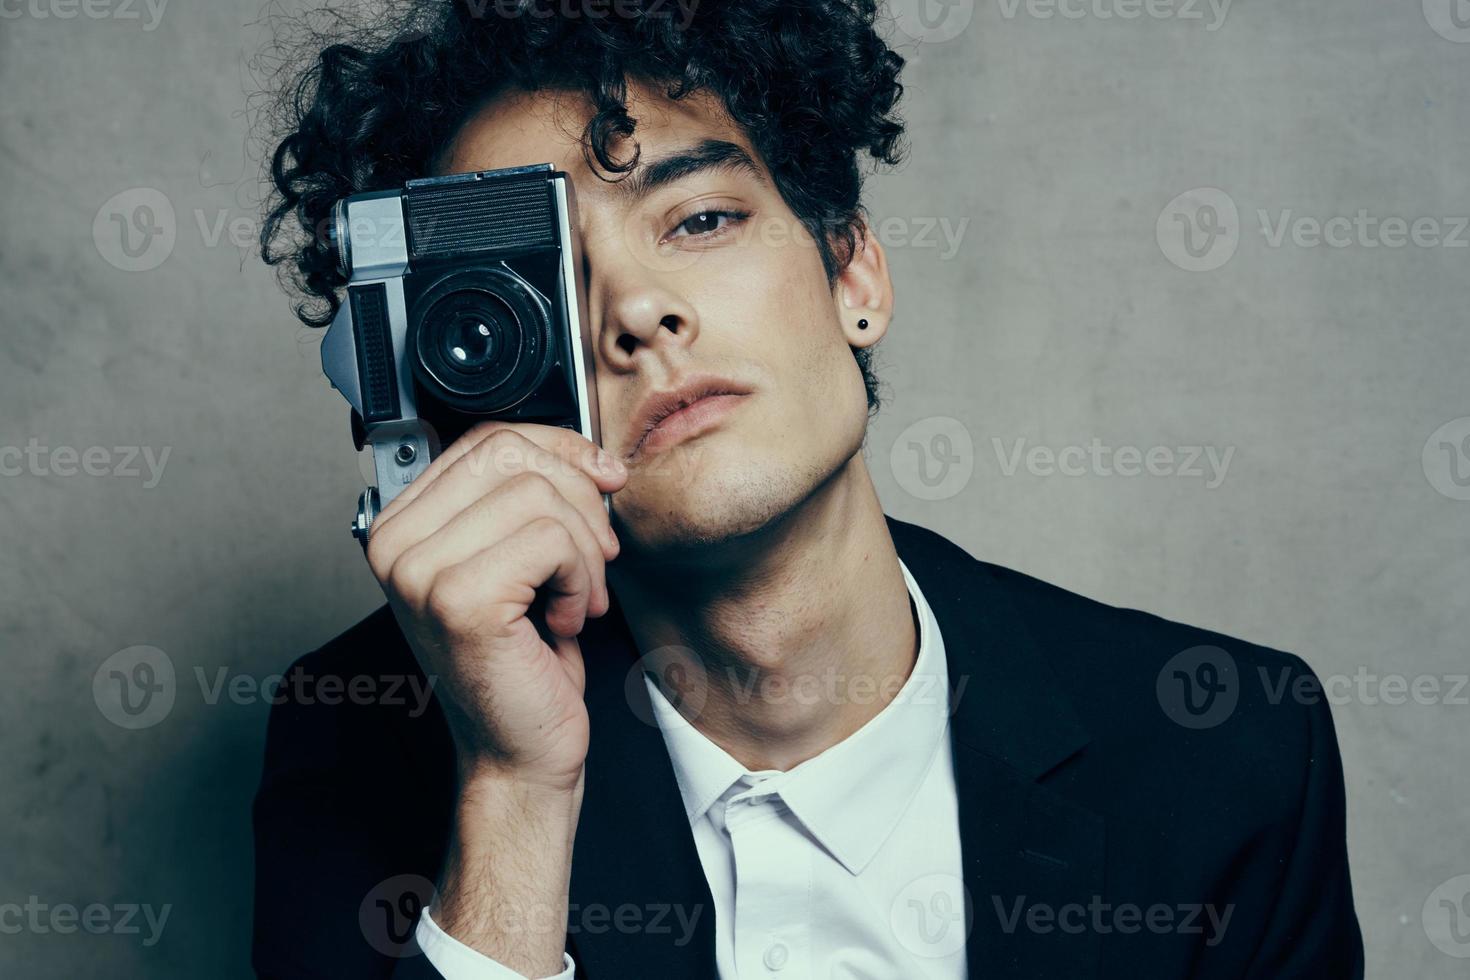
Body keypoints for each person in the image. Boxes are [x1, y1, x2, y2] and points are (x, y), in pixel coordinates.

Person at [252, 2, 1364, 977]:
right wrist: (511, 790)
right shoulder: (362, 743)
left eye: (699, 221)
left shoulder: (1223, 755)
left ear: (855, 272)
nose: (636, 312)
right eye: (547, 287)